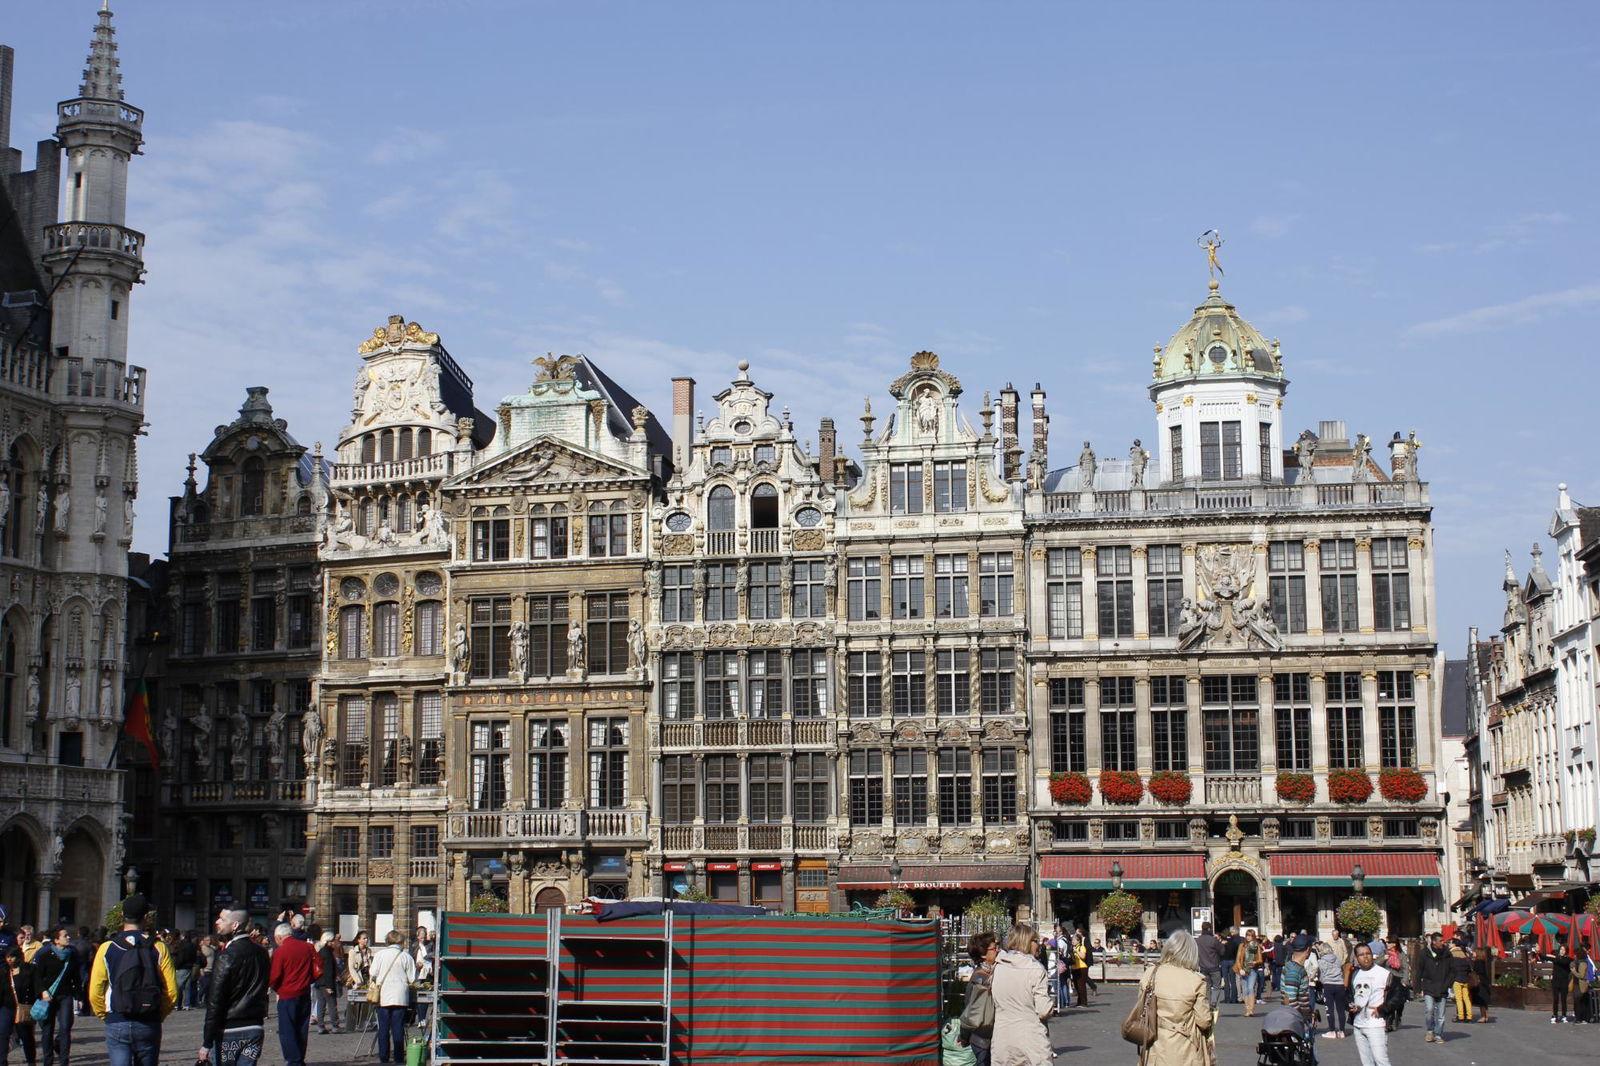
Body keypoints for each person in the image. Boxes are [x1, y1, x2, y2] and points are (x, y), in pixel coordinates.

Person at [88, 895, 178, 1066]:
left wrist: (105, 1015)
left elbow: (95, 992)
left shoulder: (107, 948)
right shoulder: (159, 947)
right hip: (148, 1019)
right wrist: (159, 1014)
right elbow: (172, 991)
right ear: (146, 917)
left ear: (122, 915)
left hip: (117, 1018)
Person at [197, 907, 269, 1066]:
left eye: (222, 919)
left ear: (235, 925)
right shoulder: (262, 953)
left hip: (229, 1028)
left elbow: (215, 1000)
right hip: (255, 1026)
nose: (217, 922)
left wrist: (207, 1041)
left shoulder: (227, 955)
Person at [1138, 930, 1213, 1066]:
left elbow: (1141, 1008)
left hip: (1154, 1044)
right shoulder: (1195, 980)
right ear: (1192, 953)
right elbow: (1204, 1021)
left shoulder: (1150, 973)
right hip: (1185, 1046)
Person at [987, 923, 1051, 1066]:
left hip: (1002, 1038)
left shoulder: (998, 967)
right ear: (1026, 942)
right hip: (1031, 1038)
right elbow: (1043, 1010)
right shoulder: (1035, 968)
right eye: (1035, 941)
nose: (1038, 945)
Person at [267, 924, 320, 1066]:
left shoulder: (281, 951)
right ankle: (300, 1058)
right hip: (304, 993)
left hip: (287, 994)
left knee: (287, 1030)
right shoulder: (307, 947)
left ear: (279, 937)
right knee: (302, 1028)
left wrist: (276, 988)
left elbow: (274, 976)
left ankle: (294, 1060)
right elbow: (318, 968)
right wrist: (308, 981)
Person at [369, 931, 417, 1066]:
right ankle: (399, 1058)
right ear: (401, 942)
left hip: (383, 995)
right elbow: (413, 978)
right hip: (400, 996)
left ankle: (383, 1057)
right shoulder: (406, 957)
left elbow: (372, 973)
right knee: (398, 1028)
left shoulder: (379, 955)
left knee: (383, 1028)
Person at [35, 927, 80, 1066]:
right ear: (56, 940)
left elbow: (76, 976)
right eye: (65, 936)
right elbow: (37, 977)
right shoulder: (44, 954)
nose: (68, 938)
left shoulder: (72, 954)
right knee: (47, 1030)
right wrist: (42, 991)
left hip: (65, 995)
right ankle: (47, 1061)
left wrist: (78, 997)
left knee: (65, 1028)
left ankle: (63, 1061)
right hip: (48, 996)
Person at [1349, 943, 1391, 1066]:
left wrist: (1383, 1008)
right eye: (1361, 955)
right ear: (1356, 958)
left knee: (1381, 1061)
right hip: (1358, 1023)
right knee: (1366, 1062)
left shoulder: (1384, 973)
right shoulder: (1355, 974)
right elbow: (1349, 995)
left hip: (1376, 1024)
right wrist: (1351, 1005)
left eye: (1368, 953)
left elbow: (1398, 996)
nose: (1366, 957)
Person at [960, 931, 998, 1066]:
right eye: (994, 948)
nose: (997, 950)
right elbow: (969, 1010)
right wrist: (964, 1036)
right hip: (982, 1039)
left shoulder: (995, 972)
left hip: (992, 1037)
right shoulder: (979, 978)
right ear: (983, 954)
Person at [0, 944, 39, 1066]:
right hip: (7, 1006)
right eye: (7, 957)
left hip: (23, 1007)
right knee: (3, 1033)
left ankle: (31, 1061)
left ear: (18, 957)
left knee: (26, 1035)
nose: (9, 960)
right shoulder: (4, 971)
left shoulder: (29, 970)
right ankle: (2, 1061)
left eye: (12, 957)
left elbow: (36, 986)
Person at [1416, 931, 1453, 1043]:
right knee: (1429, 1009)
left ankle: (1438, 1034)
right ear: (1434, 942)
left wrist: (1448, 983)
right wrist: (1418, 986)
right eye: (1440, 941)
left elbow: (1452, 970)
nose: (1443, 943)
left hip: (1442, 986)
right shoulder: (1424, 953)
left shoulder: (1447, 953)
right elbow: (1419, 970)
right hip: (1429, 985)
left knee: (1441, 1014)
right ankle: (1430, 1030)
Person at [1314, 938, 1348, 1040]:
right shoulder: (1337, 959)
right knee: (1341, 1009)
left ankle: (1332, 1030)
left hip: (1328, 985)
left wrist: (1321, 980)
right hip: (1340, 984)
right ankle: (1342, 1031)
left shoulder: (1321, 961)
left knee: (1330, 1009)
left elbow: (1320, 975)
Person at [313, 933, 342, 1035]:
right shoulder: (328, 953)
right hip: (326, 982)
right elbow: (328, 971)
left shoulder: (320, 951)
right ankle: (335, 1025)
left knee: (321, 1004)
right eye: (333, 941)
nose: (335, 942)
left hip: (318, 982)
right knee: (331, 1004)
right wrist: (329, 986)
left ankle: (320, 1026)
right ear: (328, 942)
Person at [344, 932, 372, 1032]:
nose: (366, 940)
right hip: (355, 979)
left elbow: (370, 965)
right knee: (353, 1002)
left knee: (366, 1002)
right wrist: (358, 981)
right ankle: (351, 1025)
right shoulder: (353, 951)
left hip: (366, 978)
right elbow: (351, 968)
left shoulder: (369, 951)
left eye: (367, 938)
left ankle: (362, 1024)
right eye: (364, 938)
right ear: (358, 940)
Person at [1235, 928, 1265, 1017]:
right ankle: (1247, 1009)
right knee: (1244, 990)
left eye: (1251, 936)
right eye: (1247, 935)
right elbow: (1238, 959)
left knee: (1250, 988)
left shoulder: (1256, 946)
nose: (1248, 937)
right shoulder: (1242, 945)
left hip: (1252, 970)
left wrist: (1255, 962)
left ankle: (1251, 1010)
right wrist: (1240, 969)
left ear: (1253, 937)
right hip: (1243, 969)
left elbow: (1260, 959)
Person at [1195, 923, 1223, 1009]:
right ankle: (1213, 1002)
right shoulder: (1213, 940)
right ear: (1210, 929)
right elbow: (1222, 951)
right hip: (1214, 966)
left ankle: (1207, 1003)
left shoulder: (1198, 940)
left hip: (1203, 966)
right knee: (1217, 986)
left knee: (1206, 987)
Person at [169, 932, 197, 1012]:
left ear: (183, 936)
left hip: (182, 967)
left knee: (178, 986)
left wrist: (176, 965)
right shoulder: (192, 945)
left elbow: (181, 957)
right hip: (190, 966)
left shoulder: (183, 946)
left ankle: (177, 1004)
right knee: (187, 987)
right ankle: (186, 1004)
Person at [1448, 938, 1473, 1022]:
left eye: (1450, 943)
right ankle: (1469, 1016)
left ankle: (1460, 1016)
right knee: (1466, 998)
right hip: (1465, 979)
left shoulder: (1451, 954)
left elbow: (1450, 968)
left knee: (1458, 999)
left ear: (1454, 944)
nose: (1449, 944)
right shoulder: (1464, 954)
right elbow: (1469, 968)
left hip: (1457, 979)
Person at [1547, 944, 1572, 1023]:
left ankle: (1564, 1015)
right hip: (1555, 982)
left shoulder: (1568, 959)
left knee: (1563, 999)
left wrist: (1554, 957)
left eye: (1564, 950)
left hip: (1564, 982)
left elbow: (1563, 962)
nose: (1562, 951)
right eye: (1561, 949)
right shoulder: (1556, 958)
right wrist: (1539, 953)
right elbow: (1545, 957)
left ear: (1566, 951)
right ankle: (1554, 1015)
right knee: (1556, 999)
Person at [1470, 948, 1493, 1023]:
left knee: (1481, 1001)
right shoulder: (1482, 961)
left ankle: (1483, 1016)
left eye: (1474, 952)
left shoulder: (1478, 962)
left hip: (1480, 983)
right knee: (1484, 1001)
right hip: (1484, 982)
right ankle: (1486, 1016)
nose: (1473, 953)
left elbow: (1478, 972)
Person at [1221, 927, 1243, 1004]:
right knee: (1233, 980)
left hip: (1224, 961)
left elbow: (1221, 951)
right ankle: (1234, 998)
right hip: (1233, 960)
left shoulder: (1225, 941)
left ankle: (1227, 998)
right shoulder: (1240, 940)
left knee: (1226, 980)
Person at [1069, 931, 1091, 1007]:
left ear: (1078, 940)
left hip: (1082, 968)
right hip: (1074, 968)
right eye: (1072, 940)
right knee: (1077, 986)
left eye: (1074, 940)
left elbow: (1083, 956)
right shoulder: (1072, 948)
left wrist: (1076, 951)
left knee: (1081, 986)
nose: (1072, 941)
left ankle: (1084, 1002)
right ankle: (1079, 1001)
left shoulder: (1082, 947)